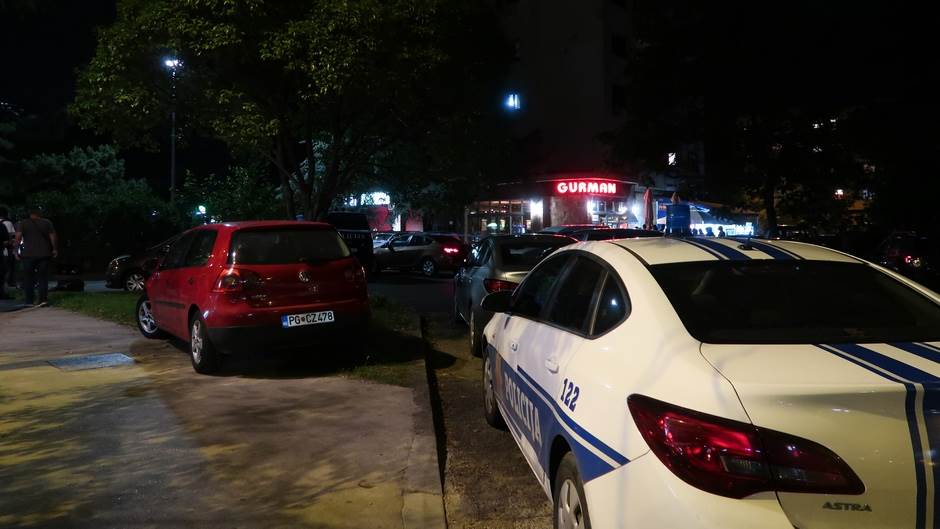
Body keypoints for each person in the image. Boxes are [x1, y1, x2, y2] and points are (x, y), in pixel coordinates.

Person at [14, 206, 57, 307]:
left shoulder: (23, 223)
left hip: (28, 254)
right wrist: (55, 249)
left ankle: (29, 301)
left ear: (30, 214)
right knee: (43, 277)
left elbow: (18, 237)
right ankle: (43, 300)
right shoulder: (47, 222)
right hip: (44, 253)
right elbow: (53, 236)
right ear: (39, 213)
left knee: (29, 278)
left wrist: (16, 251)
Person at [0, 207, 14, 299]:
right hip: (2, 252)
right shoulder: (6, 224)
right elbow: (8, 239)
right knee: (3, 272)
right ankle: (3, 292)